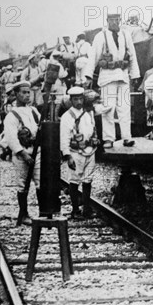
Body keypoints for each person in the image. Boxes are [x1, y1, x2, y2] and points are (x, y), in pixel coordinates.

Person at [83, 12, 141, 149]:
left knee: (124, 108)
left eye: (117, 19)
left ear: (120, 20)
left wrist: (135, 75)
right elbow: (93, 57)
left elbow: (132, 55)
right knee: (108, 108)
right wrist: (88, 76)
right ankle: (108, 139)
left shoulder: (126, 34)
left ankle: (127, 137)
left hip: (123, 75)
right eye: (111, 20)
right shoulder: (100, 36)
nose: (114, 22)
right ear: (107, 20)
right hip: (108, 76)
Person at [2, 81, 41, 226]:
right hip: (21, 154)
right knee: (22, 184)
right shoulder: (12, 115)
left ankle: (43, 212)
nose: (26, 95)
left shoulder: (34, 111)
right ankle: (23, 214)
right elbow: (11, 138)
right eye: (23, 92)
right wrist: (24, 154)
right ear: (16, 94)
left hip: (36, 152)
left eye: (28, 92)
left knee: (40, 181)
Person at [60, 87, 101, 219]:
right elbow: (64, 137)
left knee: (88, 180)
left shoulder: (89, 113)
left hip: (90, 150)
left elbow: (93, 129)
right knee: (74, 180)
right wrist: (67, 155)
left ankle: (87, 209)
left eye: (81, 98)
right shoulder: (67, 116)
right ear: (71, 100)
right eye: (75, 99)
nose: (79, 101)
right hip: (75, 152)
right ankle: (75, 210)